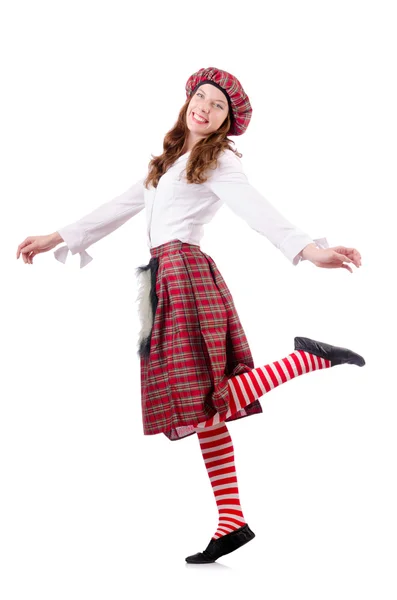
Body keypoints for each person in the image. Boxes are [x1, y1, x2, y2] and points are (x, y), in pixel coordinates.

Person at [16, 66, 365, 564]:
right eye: (201, 97)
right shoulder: (168, 161)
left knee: (200, 396)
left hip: (185, 273)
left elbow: (257, 209)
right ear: (188, 100)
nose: (205, 106)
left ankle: (308, 359)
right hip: (160, 277)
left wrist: (309, 250)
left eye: (218, 105)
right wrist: (57, 236)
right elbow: (116, 207)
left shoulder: (219, 160)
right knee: (202, 406)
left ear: (226, 122)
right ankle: (232, 520)